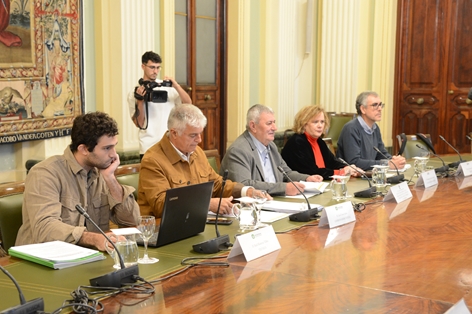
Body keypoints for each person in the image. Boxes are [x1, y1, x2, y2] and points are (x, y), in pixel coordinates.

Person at [15, 112, 140, 251]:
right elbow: (45, 228)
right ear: (84, 149)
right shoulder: (45, 173)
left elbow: (132, 221)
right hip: (41, 260)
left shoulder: (101, 171)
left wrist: (111, 179)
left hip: (87, 257)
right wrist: (94, 239)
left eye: (114, 146)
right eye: (107, 148)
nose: (113, 154)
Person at [138, 103, 263, 218]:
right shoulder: (152, 160)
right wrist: (207, 204)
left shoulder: (197, 152)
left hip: (195, 221)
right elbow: (162, 205)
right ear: (174, 133)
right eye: (193, 135)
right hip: (161, 230)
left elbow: (217, 185)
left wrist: (246, 191)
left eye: (200, 134)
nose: (199, 140)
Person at [220, 104, 324, 196]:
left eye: (274, 122)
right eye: (269, 123)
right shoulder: (239, 150)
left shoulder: (271, 146)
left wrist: (307, 178)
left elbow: (286, 172)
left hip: (274, 200)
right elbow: (244, 185)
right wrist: (284, 188)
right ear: (253, 126)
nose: (275, 128)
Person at [128, 51, 192, 159]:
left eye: (158, 68)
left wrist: (176, 85)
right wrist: (140, 100)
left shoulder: (166, 87)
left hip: (170, 144)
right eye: (152, 67)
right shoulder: (135, 92)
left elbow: (188, 104)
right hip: (148, 145)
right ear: (143, 66)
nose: (155, 71)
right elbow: (139, 123)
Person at [281, 105, 362, 180]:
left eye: (322, 122)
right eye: (315, 122)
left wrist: (349, 168)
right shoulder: (297, 142)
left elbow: (332, 162)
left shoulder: (319, 141)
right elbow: (311, 171)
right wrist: (341, 172)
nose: (320, 126)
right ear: (304, 124)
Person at [336, 91, 406, 171]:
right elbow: (354, 162)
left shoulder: (375, 128)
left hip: (369, 175)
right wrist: (387, 164)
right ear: (363, 109)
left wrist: (394, 160)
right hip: (352, 179)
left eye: (380, 105)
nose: (380, 109)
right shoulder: (351, 129)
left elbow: (381, 153)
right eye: (375, 105)